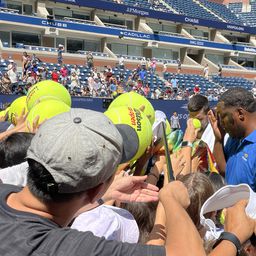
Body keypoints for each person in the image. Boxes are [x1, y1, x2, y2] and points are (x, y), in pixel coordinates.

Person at [208, 87, 256, 191]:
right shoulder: (235, 138)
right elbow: (224, 170)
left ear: (240, 114)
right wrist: (219, 139)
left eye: (223, 117)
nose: (221, 123)